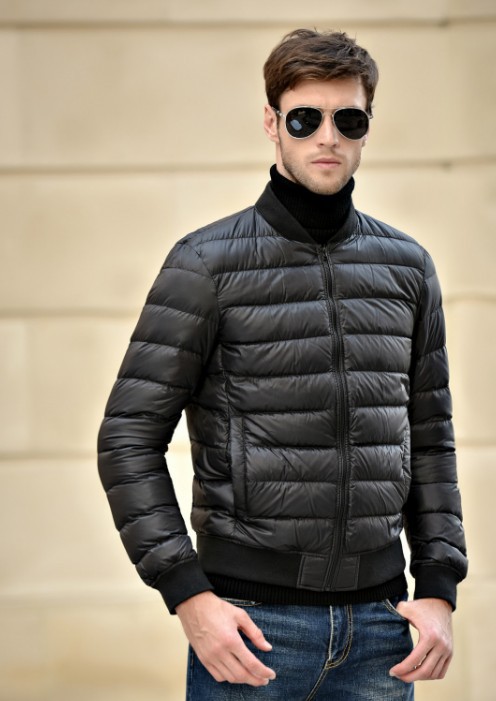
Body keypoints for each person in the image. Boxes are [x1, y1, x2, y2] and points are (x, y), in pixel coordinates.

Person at [98, 28, 468, 700]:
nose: (327, 137)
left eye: (348, 120)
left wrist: (439, 587)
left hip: (382, 630)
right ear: (272, 124)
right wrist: (188, 596)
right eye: (305, 119)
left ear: (366, 127)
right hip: (252, 628)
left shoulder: (408, 267)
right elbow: (127, 439)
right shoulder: (205, 264)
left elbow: (430, 439)